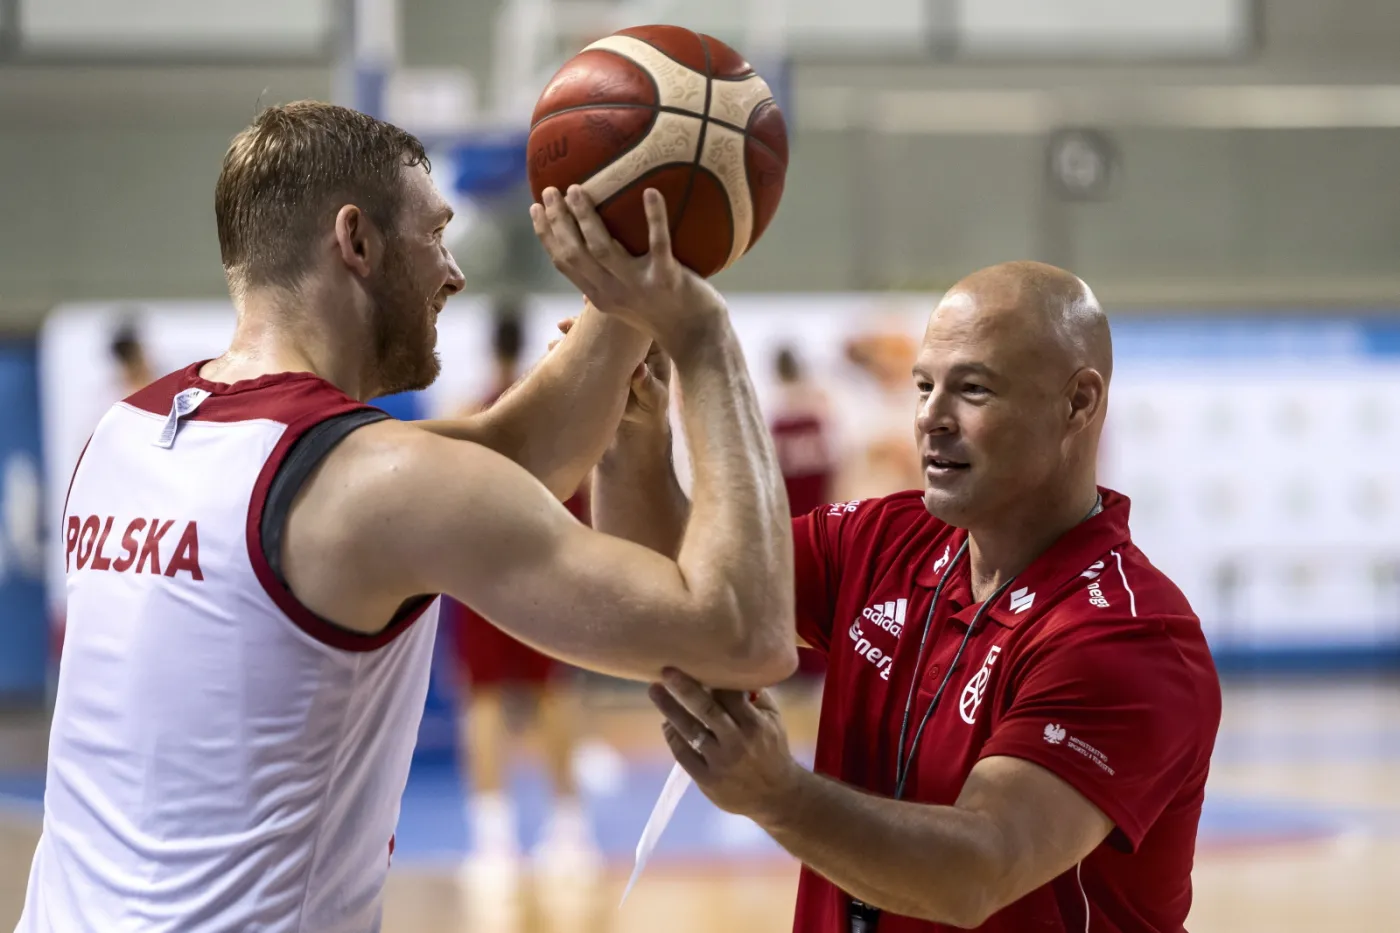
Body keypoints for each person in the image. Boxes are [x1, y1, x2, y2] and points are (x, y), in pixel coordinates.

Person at [19, 101, 795, 933]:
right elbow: (740, 635)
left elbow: (518, 448)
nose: (454, 272)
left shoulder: (127, 434)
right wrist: (702, 334)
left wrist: (632, 277)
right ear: (355, 241)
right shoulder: (373, 482)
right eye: (437, 233)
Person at [595, 261, 1223, 932]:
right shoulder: (882, 538)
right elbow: (672, 587)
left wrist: (778, 793)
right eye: (924, 385)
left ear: (1078, 402)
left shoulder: (1131, 639)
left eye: (973, 389)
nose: (929, 416)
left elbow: (977, 870)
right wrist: (630, 428)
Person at [445, 300, 599, 887]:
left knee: (483, 701)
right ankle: (569, 826)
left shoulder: (469, 413)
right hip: (547, 574)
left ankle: (493, 837)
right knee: (552, 694)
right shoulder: (549, 414)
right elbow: (580, 488)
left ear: (491, 348)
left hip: (484, 578)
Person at [768, 345, 835, 684]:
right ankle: (816, 665)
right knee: (818, 591)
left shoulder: (776, 412)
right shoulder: (820, 407)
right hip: (821, 521)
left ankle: (789, 665)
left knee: (788, 592)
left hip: (790, 522)